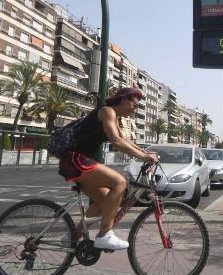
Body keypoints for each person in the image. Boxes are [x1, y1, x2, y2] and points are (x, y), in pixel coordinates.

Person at [58, 87, 159, 251]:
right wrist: (142, 156)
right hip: (74, 159)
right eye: (134, 105)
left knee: (104, 203)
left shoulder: (114, 117)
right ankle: (104, 235)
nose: (134, 110)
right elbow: (115, 141)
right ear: (124, 99)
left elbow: (124, 140)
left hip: (78, 160)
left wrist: (145, 153)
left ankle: (72, 236)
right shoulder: (107, 111)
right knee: (120, 182)